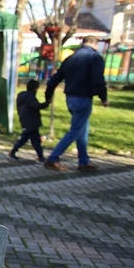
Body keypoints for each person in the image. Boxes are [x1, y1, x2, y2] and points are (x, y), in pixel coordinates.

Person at [43, 35, 108, 172]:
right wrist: (103, 98)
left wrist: (48, 96)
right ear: (94, 44)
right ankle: (53, 158)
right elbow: (98, 79)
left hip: (70, 98)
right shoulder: (95, 58)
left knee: (83, 130)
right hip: (83, 97)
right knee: (75, 131)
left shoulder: (70, 59)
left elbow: (55, 79)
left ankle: (84, 161)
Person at [9, 80, 48, 162]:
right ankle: (41, 157)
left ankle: (13, 152)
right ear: (35, 89)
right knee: (35, 140)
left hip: (25, 120)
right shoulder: (30, 97)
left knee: (25, 138)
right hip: (31, 121)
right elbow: (36, 106)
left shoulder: (22, 96)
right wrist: (46, 103)